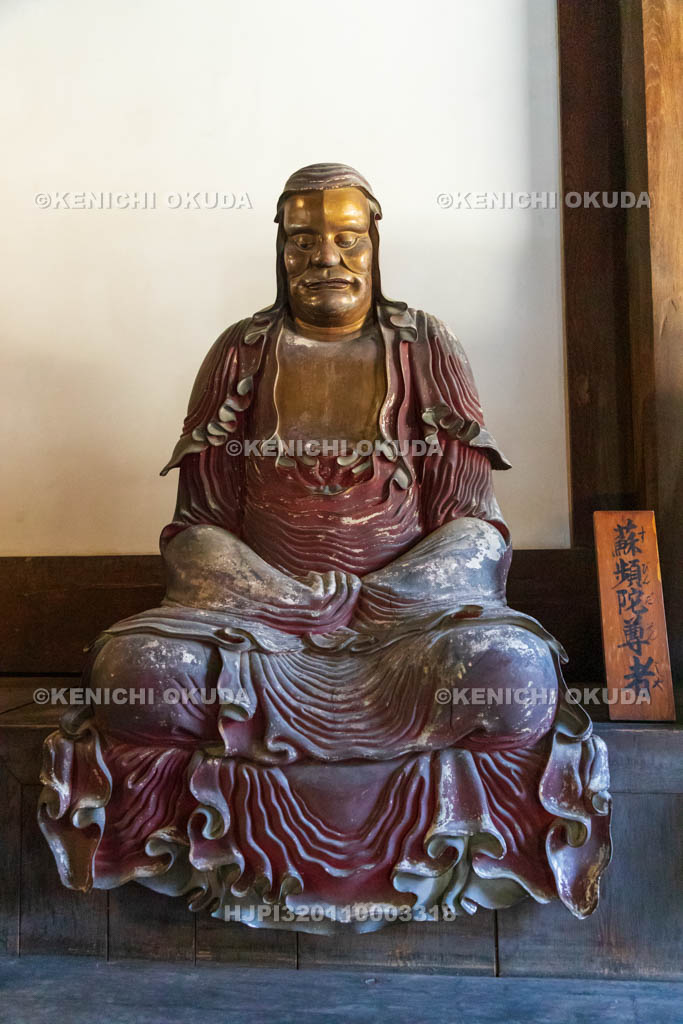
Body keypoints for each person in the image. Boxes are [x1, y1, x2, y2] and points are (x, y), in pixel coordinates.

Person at [39, 164, 611, 933]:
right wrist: (282, 596)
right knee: (138, 673)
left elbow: (476, 527)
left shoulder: (425, 348)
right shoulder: (240, 354)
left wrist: (378, 595)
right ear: (278, 251)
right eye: (302, 241)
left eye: (347, 239)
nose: (325, 259)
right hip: (260, 628)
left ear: (376, 246)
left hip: (407, 626)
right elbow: (195, 530)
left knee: (513, 673)